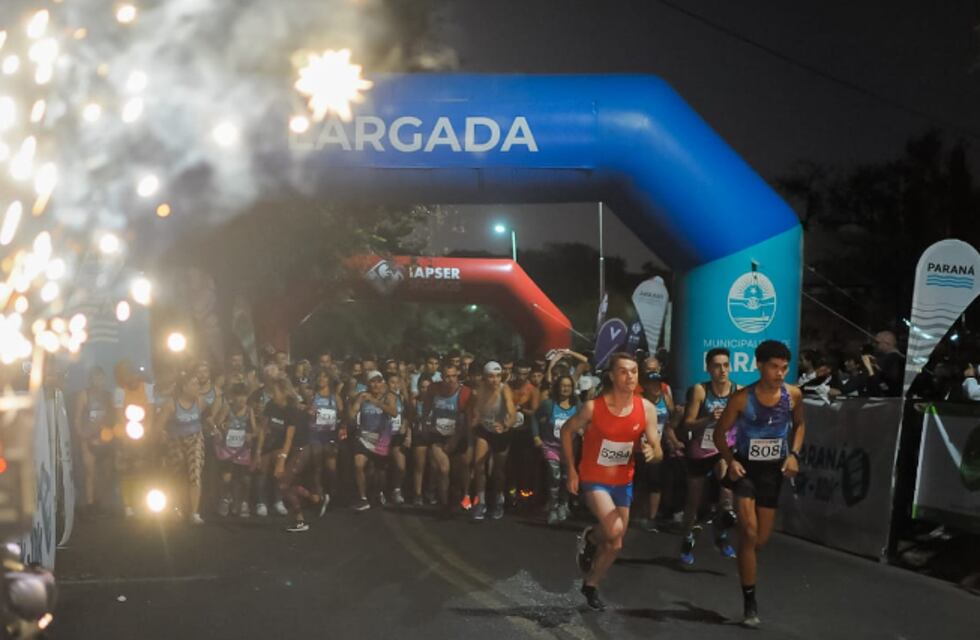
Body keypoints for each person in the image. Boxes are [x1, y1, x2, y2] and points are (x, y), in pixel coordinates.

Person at [713, 340, 806, 628]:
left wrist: (793, 454)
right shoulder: (742, 398)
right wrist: (731, 459)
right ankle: (750, 604)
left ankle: (726, 525)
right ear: (759, 365)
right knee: (750, 533)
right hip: (746, 472)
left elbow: (800, 425)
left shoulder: (793, 395)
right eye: (774, 367)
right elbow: (719, 434)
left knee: (759, 542)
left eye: (784, 368)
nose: (780, 373)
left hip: (772, 473)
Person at [562, 352, 663, 611]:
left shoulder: (646, 409)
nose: (630, 376)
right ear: (611, 375)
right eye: (623, 371)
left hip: (623, 480)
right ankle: (593, 539)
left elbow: (657, 447)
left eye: (633, 371)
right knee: (616, 529)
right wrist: (572, 471)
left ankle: (591, 583)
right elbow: (567, 430)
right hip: (594, 478)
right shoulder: (593, 407)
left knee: (615, 542)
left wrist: (653, 453)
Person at [673, 348, 738, 566]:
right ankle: (687, 540)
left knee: (726, 491)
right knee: (693, 502)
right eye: (717, 366)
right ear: (709, 369)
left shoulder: (736, 391)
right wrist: (709, 418)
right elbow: (688, 423)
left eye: (726, 365)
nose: (722, 370)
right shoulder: (701, 391)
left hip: (723, 449)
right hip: (700, 451)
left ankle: (721, 534)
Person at [266, 378, 324, 532]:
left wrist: (281, 460)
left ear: (284, 393)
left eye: (275, 393)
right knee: (287, 483)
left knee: (284, 484)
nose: (273, 396)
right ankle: (315, 498)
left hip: (301, 450)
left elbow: (289, 437)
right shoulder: (284, 408)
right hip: (297, 449)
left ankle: (301, 520)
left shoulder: (291, 410)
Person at [414, 364, 471, 509]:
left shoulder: (464, 392)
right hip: (437, 434)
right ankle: (444, 504)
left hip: (457, 435)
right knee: (443, 469)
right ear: (442, 377)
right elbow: (426, 407)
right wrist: (425, 425)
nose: (450, 380)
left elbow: (466, 420)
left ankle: (456, 497)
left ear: (457, 376)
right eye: (447, 376)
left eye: (454, 376)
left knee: (456, 472)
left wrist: (456, 438)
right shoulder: (434, 388)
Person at [156, 372, 207, 525]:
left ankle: (194, 513)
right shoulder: (171, 404)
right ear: (184, 387)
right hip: (176, 440)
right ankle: (175, 507)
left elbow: (208, 416)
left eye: (198, 384)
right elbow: (158, 426)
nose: (197, 387)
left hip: (195, 439)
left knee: (195, 472)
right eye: (194, 384)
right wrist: (163, 434)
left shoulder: (200, 401)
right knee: (176, 474)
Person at [469, 361, 516, 521]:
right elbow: (475, 412)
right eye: (490, 377)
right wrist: (474, 420)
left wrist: (505, 425)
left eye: (497, 376)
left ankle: (499, 499)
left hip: (501, 431)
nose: (494, 380)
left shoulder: (505, 389)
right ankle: (480, 502)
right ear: (485, 377)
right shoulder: (479, 391)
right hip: (485, 430)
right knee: (478, 464)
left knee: (497, 470)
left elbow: (512, 412)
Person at [531, 374, 578, 524]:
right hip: (551, 446)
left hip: (569, 449)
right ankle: (553, 507)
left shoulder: (577, 405)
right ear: (557, 387)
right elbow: (534, 418)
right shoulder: (548, 404)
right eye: (563, 385)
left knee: (566, 477)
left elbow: (586, 421)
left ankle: (564, 505)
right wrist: (536, 436)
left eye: (568, 386)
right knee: (554, 476)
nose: (565, 389)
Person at [349, 370, 398, 511]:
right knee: (358, 464)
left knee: (379, 473)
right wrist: (358, 401)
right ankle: (363, 498)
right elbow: (352, 414)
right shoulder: (363, 396)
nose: (376, 384)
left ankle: (378, 492)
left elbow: (394, 412)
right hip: (364, 436)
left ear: (382, 382)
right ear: (368, 384)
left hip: (381, 439)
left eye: (378, 381)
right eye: (372, 381)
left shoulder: (389, 396)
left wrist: (376, 402)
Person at [635, 366, 677, 531]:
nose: (655, 387)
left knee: (656, 481)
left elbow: (670, 423)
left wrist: (673, 441)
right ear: (645, 385)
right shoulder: (638, 400)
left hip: (659, 446)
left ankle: (651, 517)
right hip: (640, 448)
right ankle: (639, 513)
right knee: (640, 481)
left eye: (658, 383)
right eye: (652, 384)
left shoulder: (666, 398)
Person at [112, 360, 154, 518]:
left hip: (144, 437)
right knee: (127, 473)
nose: (130, 379)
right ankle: (128, 505)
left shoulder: (148, 388)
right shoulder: (119, 392)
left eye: (132, 375)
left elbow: (150, 414)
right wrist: (131, 434)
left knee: (142, 471)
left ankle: (142, 502)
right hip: (126, 438)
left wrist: (145, 433)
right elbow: (120, 416)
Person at [73, 366, 116, 515]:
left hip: (106, 439)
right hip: (89, 439)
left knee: (105, 472)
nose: (98, 380)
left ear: (104, 379)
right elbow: (77, 418)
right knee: (89, 472)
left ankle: (101, 502)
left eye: (100, 377)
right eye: (95, 377)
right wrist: (82, 437)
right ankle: (90, 504)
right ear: (90, 379)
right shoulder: (83, 395)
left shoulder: (108, 396)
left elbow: (114, 417)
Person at [212, 383, 256, 518]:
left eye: (244, 396)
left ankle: (243, 502)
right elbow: (216, 423)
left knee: (245, 479)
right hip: (227, 448)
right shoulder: (227, 408)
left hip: (243, 449)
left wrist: (251, 435)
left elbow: (255, 430)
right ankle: (225, 499)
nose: (242, 400)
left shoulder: (249, 411)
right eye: (239, 396)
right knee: (227, 477)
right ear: (233, 397)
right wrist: (223, 428)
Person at [308, 369, 345, 514]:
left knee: (331, 468)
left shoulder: (335, 397)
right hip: (316, 434)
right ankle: (319, 495)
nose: (321, 379)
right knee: (317, 466)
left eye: (324, 377)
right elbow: (309, 413)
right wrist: (310, 413)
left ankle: (331, 494)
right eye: (319, 377)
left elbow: (342, 415)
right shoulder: (314, 396)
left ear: (329, 380)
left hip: (330, 434)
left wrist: (338, 421)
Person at [507, 361, 541, 510]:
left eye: (525, 374)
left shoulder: (532, 390)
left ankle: (524, 495)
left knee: (525, 465)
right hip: (508, 431)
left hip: (525, 432)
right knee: (508, 465)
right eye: (519, 373)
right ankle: (509, 494)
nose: (521, 377)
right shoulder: (508, 386)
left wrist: (520, 408)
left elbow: (535, 412)